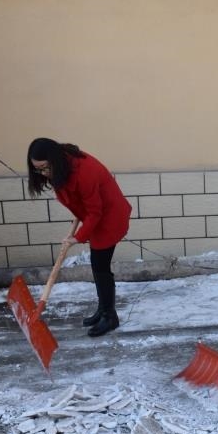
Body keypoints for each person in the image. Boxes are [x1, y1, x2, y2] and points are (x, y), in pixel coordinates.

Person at [26, 138, 132, 337]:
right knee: (97, 266)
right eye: (37, 169)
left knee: (101, 267)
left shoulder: (85, 172)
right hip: (96, 217)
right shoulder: (63, 165)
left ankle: (110, 317)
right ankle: (103, 310)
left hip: (109, 219)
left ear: (54, 160)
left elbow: (95, 211)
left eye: (44, 168)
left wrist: (79, 237)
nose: (42, 173)